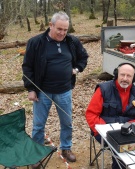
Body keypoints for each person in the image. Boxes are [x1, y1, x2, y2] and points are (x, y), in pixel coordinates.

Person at [22, 11, 89, 166]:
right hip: (42, 92)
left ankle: (66, 148)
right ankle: (36, 153)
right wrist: (31, 89)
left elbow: (83, 57)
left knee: (67, 122)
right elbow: (27, 68)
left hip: (64, 91)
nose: (62, 33)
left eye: (65, 29)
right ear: (50, 25)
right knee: (38, 125)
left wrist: (77, 69)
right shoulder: (36, 42)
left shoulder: (72, 42)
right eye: (59, 29)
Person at [85, 62, 135, 169]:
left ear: (134, 78)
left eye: (129, 76)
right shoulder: (103, 89)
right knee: (121, 149)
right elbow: (91, 114)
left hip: (129, 130)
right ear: (116, 74)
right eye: (122, 75)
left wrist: (130, 127)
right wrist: (104, 131)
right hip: (104, 131)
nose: (125, 78)